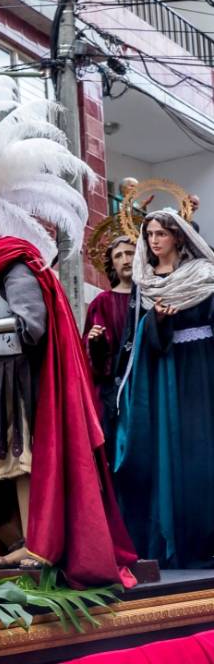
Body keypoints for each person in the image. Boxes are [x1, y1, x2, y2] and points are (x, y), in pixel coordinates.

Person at [0, 75, 136, 587]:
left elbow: (32, 326)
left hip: (17, 377)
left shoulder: (16, 263)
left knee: (21, 459)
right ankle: (18, 540)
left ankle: (39, 546)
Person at [115, 209, 214, 569]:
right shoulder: (144, 283)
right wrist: (156, 322)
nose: (154, 241)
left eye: (161, 234)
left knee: (202, 452)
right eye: (150, 234)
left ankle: (206, 539)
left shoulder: (204, 274)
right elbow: (135, 336)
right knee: (169, 452)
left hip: (201, 371)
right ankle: (174, 539)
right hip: (164, 373)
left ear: (178, 237)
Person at [84, 236, 136, 461]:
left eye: (130, 253)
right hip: (114, 389)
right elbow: (89, 354)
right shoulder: (102, 302)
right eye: (118, 256)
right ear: (112, 264)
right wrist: (95, 342)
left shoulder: (151, 297)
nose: (125, 260)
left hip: (146, 382)